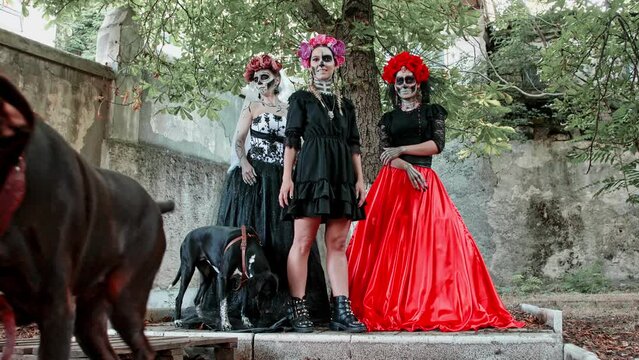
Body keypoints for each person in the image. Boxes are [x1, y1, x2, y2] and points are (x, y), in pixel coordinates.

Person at [346, 51, 524, 332]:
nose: (403, 84)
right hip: (393, 182)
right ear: (393, 86)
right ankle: (387, 302)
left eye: (409, 79)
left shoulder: (432, 112)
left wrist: (402, 150)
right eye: (398, 81)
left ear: (419, 83)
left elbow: (436, 145)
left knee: (432, 244)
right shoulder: (387, 119)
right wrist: (404, 165)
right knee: (388, 245)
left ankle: (425, 302)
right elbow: (383, 153)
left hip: (424, 182)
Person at [216, 53, 329, 328]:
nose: (260, 82)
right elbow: (239, 141)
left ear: (276, 78)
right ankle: (248, 306)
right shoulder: (251, 107)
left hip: (282, 178)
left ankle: (293, 304)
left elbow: (296, 145)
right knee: (256, 237)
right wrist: (243, 162)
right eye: (256, 79)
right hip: (254, 179)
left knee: (287, 238)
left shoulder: (290, 110)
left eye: (264, 77)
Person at [278, 34, 366, 333]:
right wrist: (286, 178)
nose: (321, 63)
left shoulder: (347, 105)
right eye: (315, 59)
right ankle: (297, 307)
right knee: (302, 242)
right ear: (308, 64)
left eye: (326, 58)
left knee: (338, 243)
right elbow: (291, 140)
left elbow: (354, 144)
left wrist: (360, 180)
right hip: (311, 173)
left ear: (336, 62)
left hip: (341, 175)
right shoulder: (301, 99)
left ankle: (341, 309)